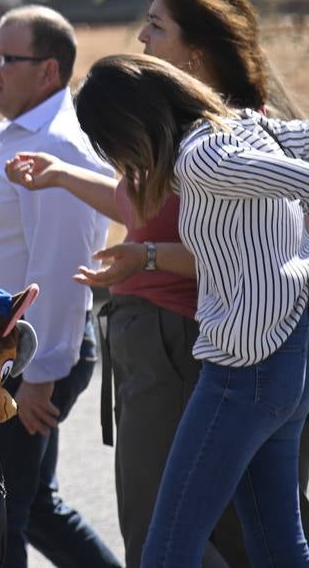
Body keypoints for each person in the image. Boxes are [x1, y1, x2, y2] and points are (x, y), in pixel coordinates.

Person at [4, 0, 301, 568]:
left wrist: (143, 257)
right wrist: (64, 177)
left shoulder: (210, 149)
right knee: (268, 540)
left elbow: (259, 230)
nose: (143, 38)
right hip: (238, 357)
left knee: (166, 544)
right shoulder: (221, 132)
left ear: (196, 49)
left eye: (156, 26)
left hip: (211, 354)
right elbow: (148, 208)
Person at [73, 54, 309, 567]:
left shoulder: (197, 157)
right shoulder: (243, 125)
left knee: (166, 547)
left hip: (242, 371)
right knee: (275, 545)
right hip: (286, 361)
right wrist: (147, 256)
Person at [0, 5, 122, 568]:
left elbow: (61, 270)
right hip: (12, 350)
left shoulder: (59, 145)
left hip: (32, 358)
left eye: (6, 59)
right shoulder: (18, 130)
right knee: (33, 506)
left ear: (48, 72)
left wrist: (40, 379)